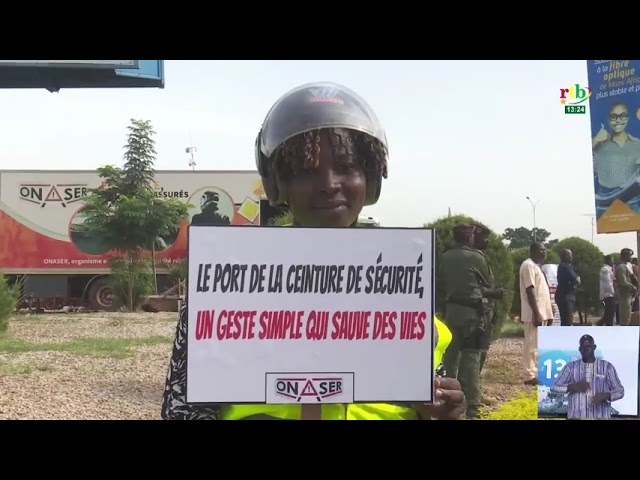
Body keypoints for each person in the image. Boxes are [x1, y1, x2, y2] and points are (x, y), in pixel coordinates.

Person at [161, 81, 465, 420]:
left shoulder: (404, 291)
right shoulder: (226, 292)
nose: (329, 184)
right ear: (279, 185)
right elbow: (181, 409)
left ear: (372, 180)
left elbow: (430, 401)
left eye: (348, 167)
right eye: (306, 171)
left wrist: (443, 412)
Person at [441, 223, 499, 419]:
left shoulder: (445, 256)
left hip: (451, 313)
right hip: (472, 316)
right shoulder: (475, 257)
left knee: (449, 359)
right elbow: (488, 280)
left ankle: (447, 402)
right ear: (468, 238)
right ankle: (474, 408)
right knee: (472, 360)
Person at [550, 334, 624, 419]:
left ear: (594, 347)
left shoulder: (607, 367)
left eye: (588, 345)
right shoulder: (570, 367)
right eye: (583, 346)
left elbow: (620, 391)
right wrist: (573, 387)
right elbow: (554, 387)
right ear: (579, 349)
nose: (585, 348)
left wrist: (606, 395)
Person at [519, 242, 553, 386]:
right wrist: (537, 313)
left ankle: (536, 372)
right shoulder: (528, 266)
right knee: (531, 344)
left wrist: (548, 313)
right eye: (541, 250)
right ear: (533, 251)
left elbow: (542, 292)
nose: (544, 253)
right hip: (533, 313)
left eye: (545, 250)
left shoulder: (536, 267)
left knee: (538, 345)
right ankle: (529, 375)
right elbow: (530, 290)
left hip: (542, 312)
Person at [555, 249, 580, 326]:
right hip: (566, 297)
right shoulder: (565, 267)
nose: (572, 257)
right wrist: (577, 278)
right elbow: (577, 280)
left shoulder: (564, 266)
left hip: (563, 296)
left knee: (565, 321)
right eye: (570, 255)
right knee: (567, 321)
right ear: (566, 256)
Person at [615, 248, 636, 326]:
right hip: (624, 295)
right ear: (625, 256)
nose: (631, 258)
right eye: (630, 256)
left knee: (627, 317)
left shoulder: (625, 266)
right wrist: (633, 287)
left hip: (627, 295)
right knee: (625, 319)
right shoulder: (621, 267)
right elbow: (623, 282)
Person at [597, 255, 615, 326]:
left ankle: (600, 324)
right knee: (610, 315)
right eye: (612, 260)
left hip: (608, 295)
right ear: (608, 260)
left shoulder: (608, 269)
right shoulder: (605, 270)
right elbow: (607, 283)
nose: (613, 262)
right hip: (608, 295)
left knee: (608, 314)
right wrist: (613, 293)